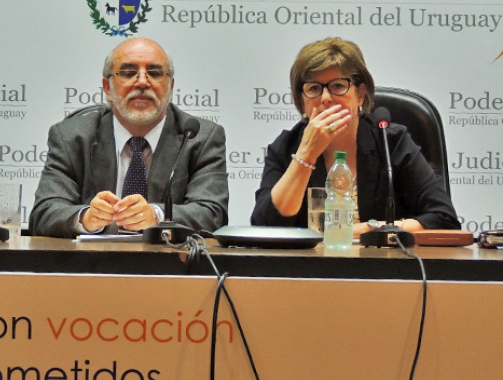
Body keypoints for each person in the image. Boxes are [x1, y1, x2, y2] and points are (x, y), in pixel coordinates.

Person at [250, 37, 459, 235]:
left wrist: (367, 230)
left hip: (382, 259)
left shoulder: (390, 142)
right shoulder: (286, 147)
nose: (325, 98)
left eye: (338, 86)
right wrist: (306, 155)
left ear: (360, 94)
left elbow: (444, 219)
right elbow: (264, 227)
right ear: (302, 100)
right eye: (313, 88)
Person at [29, 37, 229, 238]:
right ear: (107, 87)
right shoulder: (72, 137)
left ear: (170, 86)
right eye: (128, 73)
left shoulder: (199, 137)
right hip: (93, 257)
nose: (142, 82)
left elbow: (212, 214)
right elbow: (45, 213)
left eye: (154, 73)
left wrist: (157, 216)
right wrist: (84, 218)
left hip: (169, 257)